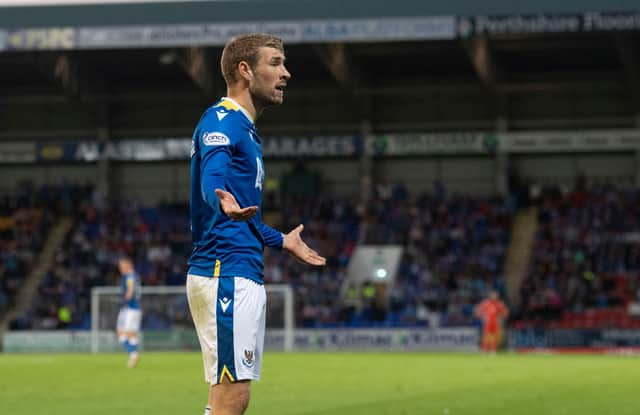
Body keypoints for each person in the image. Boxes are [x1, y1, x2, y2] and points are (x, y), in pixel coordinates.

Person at [186, 33, 326, 415]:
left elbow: (246, 219)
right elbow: (212, 174)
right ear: (245, 70)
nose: (286, 73)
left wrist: (282, 241)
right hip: (224, 272)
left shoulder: (245, 129)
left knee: (228, 395)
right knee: (233, 394)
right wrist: (220, 196)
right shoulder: (223, 120)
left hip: (237, 269)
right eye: (275, 63)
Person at [116, 257, 142, 368]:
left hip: (131, 309)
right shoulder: (132, 275)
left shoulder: (130, 276)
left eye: (122, 266)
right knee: (123, 334)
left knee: (128, 333)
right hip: (128, 309)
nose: (121, 269)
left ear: (128, 265)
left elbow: (131, 289)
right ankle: (133, 354)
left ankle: (134, 354)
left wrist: (128, 295)